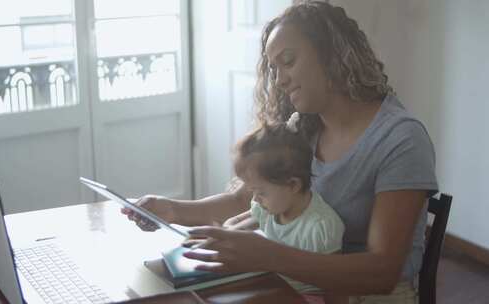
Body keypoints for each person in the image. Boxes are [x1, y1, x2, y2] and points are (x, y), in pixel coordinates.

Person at [122, 1, 438, 303]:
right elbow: (240, 200)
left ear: (332, 55)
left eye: (288, 61)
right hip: (301, 284)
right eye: (274, 68)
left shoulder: (401, 139)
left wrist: (267, 255)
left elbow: (382, 274)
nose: (280, 79)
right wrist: (172, 210)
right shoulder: (303, 127)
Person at [214, 111, 346, 304]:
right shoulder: (267, 209)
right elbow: (241, 223)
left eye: (261, 192)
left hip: (306, 296)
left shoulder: (322, 227)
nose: (256, 199)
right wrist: (224, 231)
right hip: (270, 286)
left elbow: (336, 284)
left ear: (293, 185)